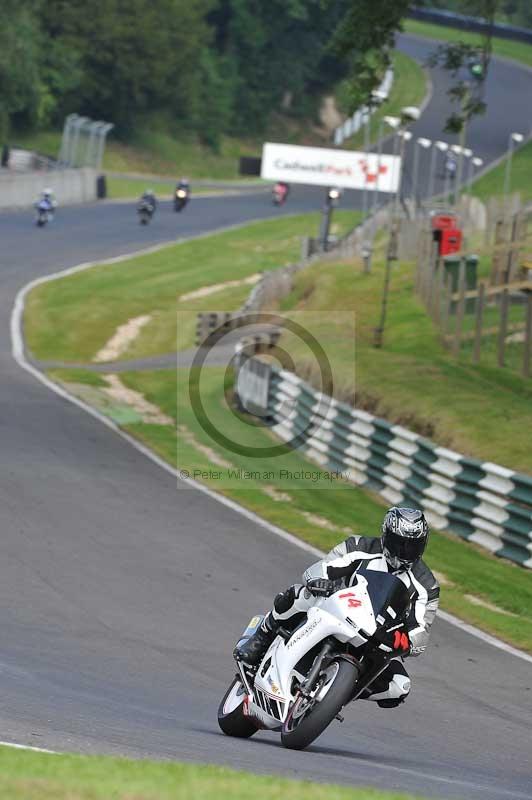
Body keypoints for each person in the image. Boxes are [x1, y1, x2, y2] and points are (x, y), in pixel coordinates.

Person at [234, 507, 440, 708]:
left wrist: (404, 640)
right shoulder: (360, 546)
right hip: (335, 609)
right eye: (400, 543)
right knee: (299, 594)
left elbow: (421, 630)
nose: (405, 551)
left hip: (376, 638)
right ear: (386, 536)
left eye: (413, 545)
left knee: (399, 686)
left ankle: (337, 694)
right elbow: (322, 567)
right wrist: (320, 581)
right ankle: (260, 637)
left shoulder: (427, 585)